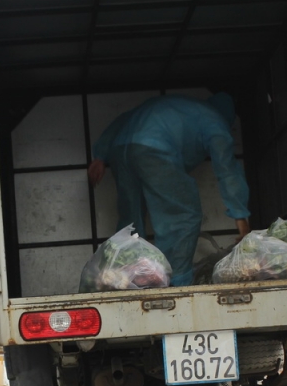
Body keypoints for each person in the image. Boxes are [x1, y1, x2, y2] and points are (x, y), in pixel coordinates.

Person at [87, 94, 251, 286]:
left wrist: (100, 155)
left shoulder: (179, 104)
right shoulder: (215, 121)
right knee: (182, 216)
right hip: (154, 148)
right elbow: (227, 170)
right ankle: (174, 283)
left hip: (121, 149)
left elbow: (124, 118)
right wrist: (241, 219)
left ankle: (127, 279)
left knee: (130, 220)